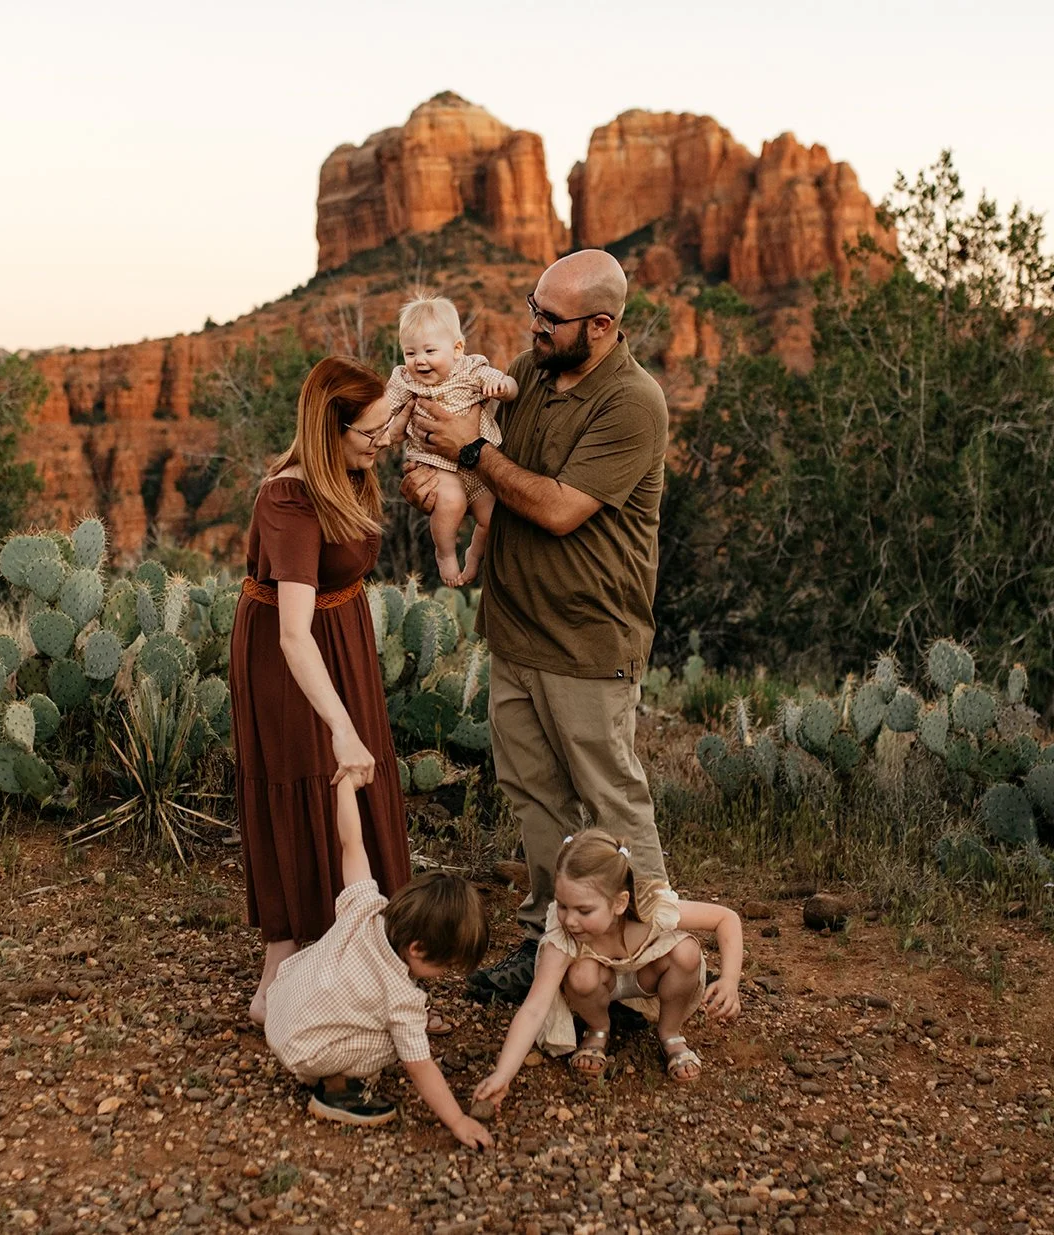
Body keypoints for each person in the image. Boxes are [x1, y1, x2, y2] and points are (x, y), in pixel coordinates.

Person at [402, 250, 670, 1003]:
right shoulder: (534, 372)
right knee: (536, 800)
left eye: (549, 318)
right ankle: (547, 943)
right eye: (533, 307)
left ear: (602, 324)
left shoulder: (632, 402)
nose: (534, 325)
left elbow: (556, 507)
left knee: (611, 801)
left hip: (588, 641)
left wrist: (469, 451)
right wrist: (437, 476)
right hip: (515, 631)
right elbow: (473, 459)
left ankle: (652, 958)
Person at [229, 355, 412, 1027]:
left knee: (358, 785)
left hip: (346, 636)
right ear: (328, 430)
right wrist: (339, 721)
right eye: (368, 432)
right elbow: (293, 635)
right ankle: (281, 971)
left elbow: (400, 392)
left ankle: (376, 972)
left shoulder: (352, 463)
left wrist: (408, 386)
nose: (382, 439)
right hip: (293, 655)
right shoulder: (291, 497)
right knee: (305, 778)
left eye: (384, 425)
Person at [264, 771, 494, 1145]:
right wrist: (457, 1121)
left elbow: (351, 843)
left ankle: (322, 1058)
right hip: (304, 1049)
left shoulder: (367, 906)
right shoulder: (402, 997)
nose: (444, 975)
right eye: (444, 966)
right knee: (397, 1040)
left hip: (281, 1007)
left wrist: (343, 786)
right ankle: (337, 1089)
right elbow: (419, 1065)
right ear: (418, 949)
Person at [472, 829, 742, 1102]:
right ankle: (598, 1028)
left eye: (584, 910)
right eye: (562, 905)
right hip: (598, 984)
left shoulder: (652, 909)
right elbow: (533, 1009)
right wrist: (502, 1075)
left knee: (686, 952)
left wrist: (730, 980)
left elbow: (726, 919)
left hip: (645, 978)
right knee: (581, 974)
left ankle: (669, 1032)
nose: (570, 920)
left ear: (619, 903)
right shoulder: (562, 937)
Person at [383, 296, 518, 585]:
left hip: (481, 464)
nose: (419, 360)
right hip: (437, 466)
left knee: (493, 516)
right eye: (410, 353)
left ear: (457, 349)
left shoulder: (471, 370)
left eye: (430, 350)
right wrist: (387, 428)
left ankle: (474, 555)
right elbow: (385, 406)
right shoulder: (406, 380)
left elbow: (509, 385)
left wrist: (502, 387)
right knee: (452, 503)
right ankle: (445, 554)